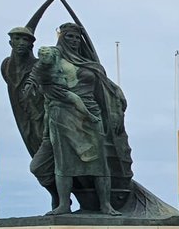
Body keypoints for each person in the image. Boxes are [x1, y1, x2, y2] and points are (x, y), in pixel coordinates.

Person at [27, 45, 119, 216]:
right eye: (69, 36)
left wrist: (114, 109)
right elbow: (32, 76)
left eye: (77, 37)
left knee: (99, 167)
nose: (74, 40)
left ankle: (105, 205)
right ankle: (63, 203)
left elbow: (101, 90)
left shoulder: (86, 67)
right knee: (48, 166)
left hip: (88, 120)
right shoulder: (46, 70)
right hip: (59, 120)